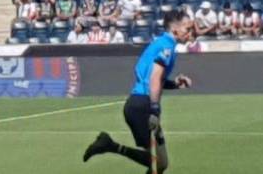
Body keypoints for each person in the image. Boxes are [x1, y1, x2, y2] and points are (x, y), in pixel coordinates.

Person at [83, 10, 194, 172]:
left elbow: (152, 78)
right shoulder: (167, 47)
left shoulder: (159, 44)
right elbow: (154, 79)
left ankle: (109, 144)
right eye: (187, 28)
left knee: (160, 163)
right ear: (175, 28)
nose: (190, 33)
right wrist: (154, 109)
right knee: (157, 163)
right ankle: (110, 145)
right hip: (143, 106)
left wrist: (174, 84)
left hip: (139, 104)